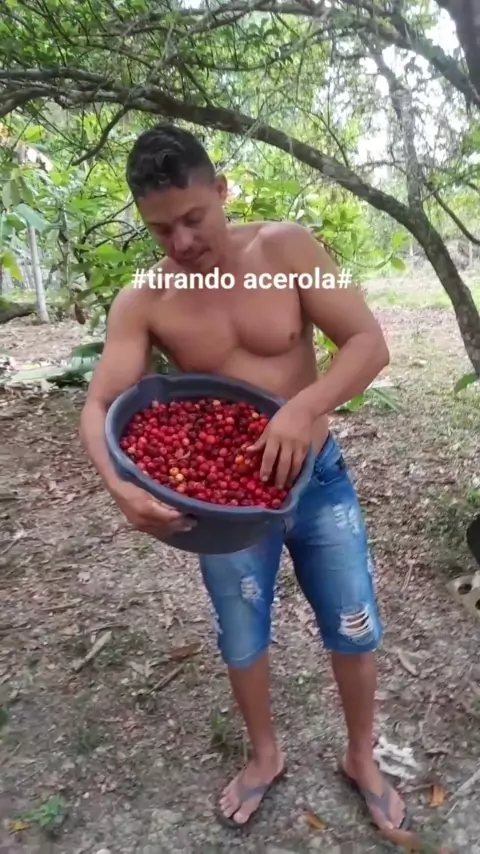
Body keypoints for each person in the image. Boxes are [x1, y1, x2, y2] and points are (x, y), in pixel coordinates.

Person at [79, 122, 408, 833]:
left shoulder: (288, 248)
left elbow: (368, 342)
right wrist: (117, 485)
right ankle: (265, 755)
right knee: (241, 634)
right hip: (223, 508)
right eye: (161, 228)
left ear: (223, 191)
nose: (181, 241)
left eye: (194, 217)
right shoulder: (144, 298)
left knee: (354, 621)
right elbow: (100, 404)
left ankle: (360, 754)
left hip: (317, 479)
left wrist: (305, 406)